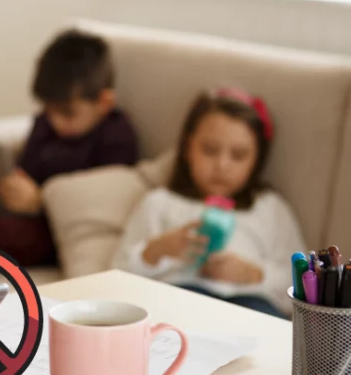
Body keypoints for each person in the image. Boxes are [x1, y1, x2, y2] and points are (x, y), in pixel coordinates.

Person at [0, 30, 140, 289]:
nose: (55, 121)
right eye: (49, 109)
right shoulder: (44, 125)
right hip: (15, 218)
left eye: (67, 113)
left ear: (104, 102)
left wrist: (41, 201)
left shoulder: (116, 137)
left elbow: (101, 206)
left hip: (52, 233)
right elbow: (26, 169)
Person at [112, 88, 307, 318]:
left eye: (238, 155)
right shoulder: (160, 203)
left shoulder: (269, 208)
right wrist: (159, 249)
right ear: (187, 148)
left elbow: (303, 284)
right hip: (181, 295)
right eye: (210, 150)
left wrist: (254, 274)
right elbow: (117, 275)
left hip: (251, 303)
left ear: (257, 160)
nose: (222, 165)